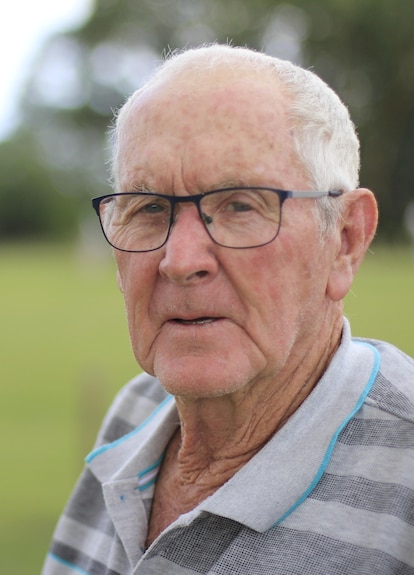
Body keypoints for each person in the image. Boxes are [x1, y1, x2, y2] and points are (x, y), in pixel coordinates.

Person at [43, 44, 414, 574]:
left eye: (239, 205)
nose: (179, 260)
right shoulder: (137, 413)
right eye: (148, 208)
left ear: (346, 241)